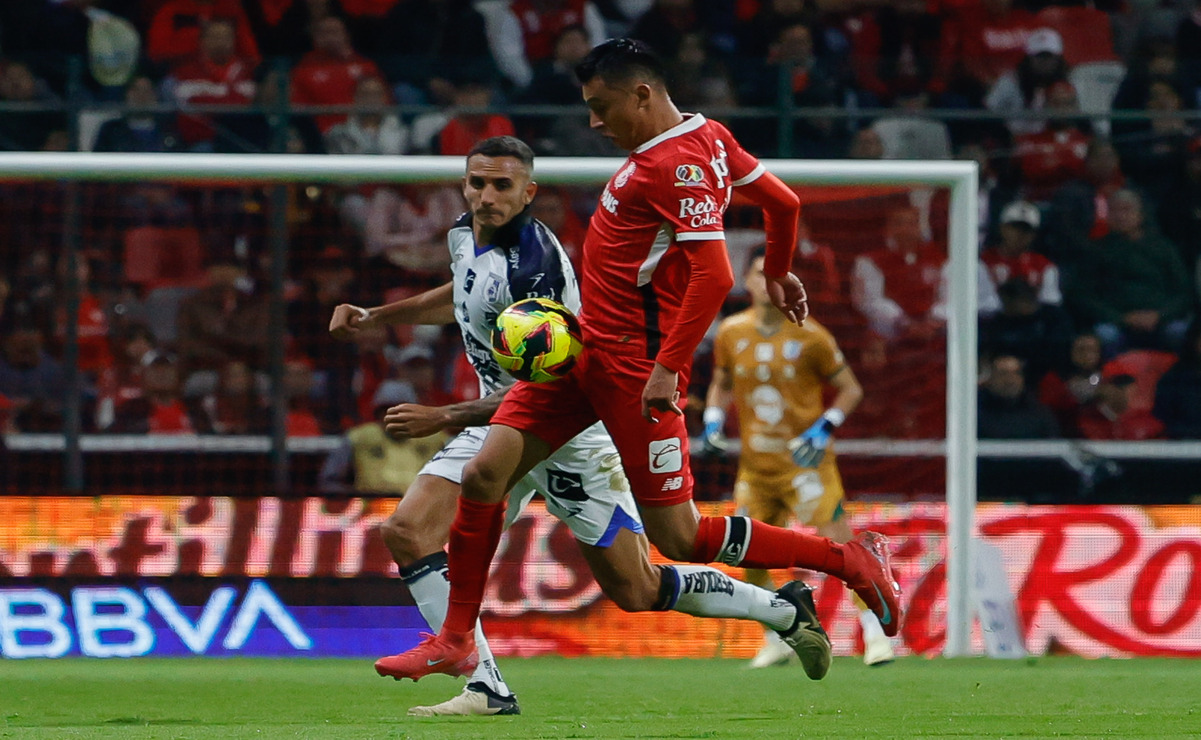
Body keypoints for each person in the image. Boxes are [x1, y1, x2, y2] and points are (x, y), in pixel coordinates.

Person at [369, 40, 901, 682]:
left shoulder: (672, 166)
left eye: (601, 106)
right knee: (487, 472)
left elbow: (714, 274)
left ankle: (848, 560)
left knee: (679, 540)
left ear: (642, 94)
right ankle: (456, 639)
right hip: (586, 353)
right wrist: (782, 271)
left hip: (632, 371)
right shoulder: (708, 136)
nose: (595, 122)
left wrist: (670, 369)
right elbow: (783, 203)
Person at [329, 136, 834, 715]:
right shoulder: (463, 233)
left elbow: (553, 386)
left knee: (638, 589)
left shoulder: (536, 272)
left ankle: (784, 609)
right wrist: (377, 317)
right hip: (503, 426)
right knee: (408, 531)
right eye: (476, 183)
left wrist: (444, 415)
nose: (486, 196)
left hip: (567, 432)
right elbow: (463, 288)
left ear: (528, 193)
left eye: (501, 186)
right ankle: (485, 684)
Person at [701, 247, 895, 669]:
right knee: (745, 552)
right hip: (756, 466)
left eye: (775, 274)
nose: (766, 282)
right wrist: (714, 419)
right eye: (758, 273)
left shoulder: (812, 335)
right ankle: (774, 637)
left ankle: (875, 635)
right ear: (747, 282)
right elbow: (720, 382)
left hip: (807, 465)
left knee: (841, 548)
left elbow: (851, 388)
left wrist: (825, 424)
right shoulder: (731, 332)